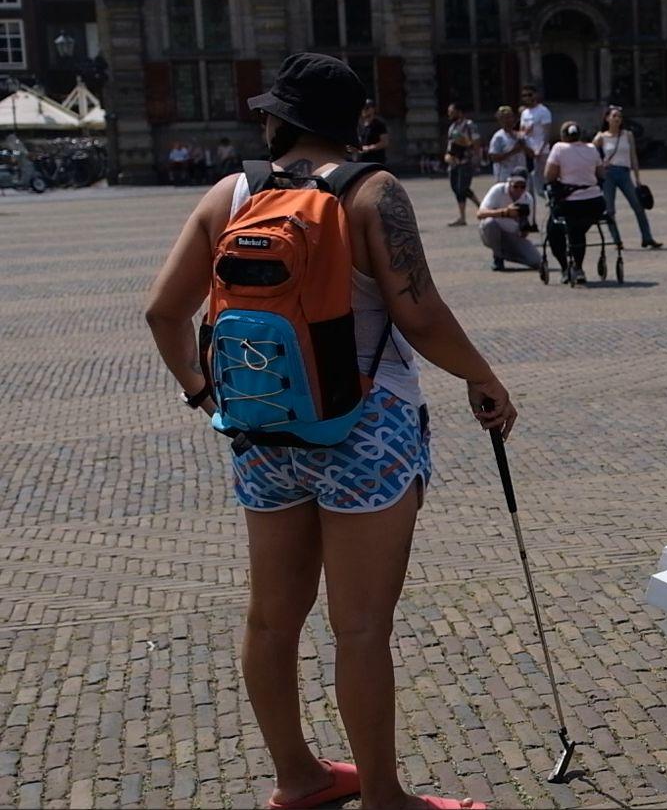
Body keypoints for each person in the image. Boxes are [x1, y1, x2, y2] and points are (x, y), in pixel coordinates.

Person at [144, 51, 509, 810]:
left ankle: (299, 776)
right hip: (365, 431)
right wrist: (483, 377)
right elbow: (419, 313)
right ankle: (384, 798)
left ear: (280, 121)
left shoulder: (232, 193)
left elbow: (163, 312)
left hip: (263, 429)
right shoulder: (373, 192)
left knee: (271, 621)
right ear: (353, 124)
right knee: (361, 628)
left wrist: (204, 395)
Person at [545, 121, 607, 284]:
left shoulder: (559, 148)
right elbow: (601, 174)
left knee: (554, 231)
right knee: (578, 230)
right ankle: (578, 268)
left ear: (563, 136)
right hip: (594, 203)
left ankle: (565, 267)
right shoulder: (592, 148)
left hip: (571, 204)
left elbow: (549, 176)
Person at [593, 105, 661, 249]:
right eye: (614, 116)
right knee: (610, 210)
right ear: (607, 118)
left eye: (619, 116)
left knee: (638, 206)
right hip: (608, 174)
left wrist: (637, 177)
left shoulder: (627, 135)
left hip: (624, 173)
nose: (617, 119)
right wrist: (600, 165)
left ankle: (647, 237)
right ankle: (617, 241)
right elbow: (590, 154)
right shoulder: (601, 137)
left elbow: (633, 156)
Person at [477, 167, 550, 283]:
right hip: (493, 231)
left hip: (513, 234)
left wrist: (522, 221)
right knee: (489, 223)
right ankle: (498, 256)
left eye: (522, 187)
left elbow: (525, 232)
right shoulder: (498, 190)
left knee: (537, 261)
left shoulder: (527, 199)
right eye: (516, 186)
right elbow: (480, 214)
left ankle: (505, 253)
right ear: (509, 183)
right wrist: (505, 212)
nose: (519, 190)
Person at [444, 103, 482, 227]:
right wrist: (447, 156)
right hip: (454, 163)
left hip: (466, 161)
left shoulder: (469, 125)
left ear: (459, 112)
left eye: (452, 112)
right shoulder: (452, 127)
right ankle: (464, 216)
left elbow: (476, 141)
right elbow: (450, 144)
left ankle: (479, 208)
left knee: (462, 188)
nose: (449, 114)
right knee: (456, 188)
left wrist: (476, 156)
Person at [519, 85, 554, 195]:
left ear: (535, 95)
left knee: (542, 181)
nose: (527, 98)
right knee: (529, 182)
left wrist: (540, 149)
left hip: (541, 151)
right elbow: (522, 132)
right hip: (528, 150)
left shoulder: (543, 111)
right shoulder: (525, 113)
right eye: (524, 96)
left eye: (530, 95)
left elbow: (547, 133)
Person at [486, 104, 533, 185]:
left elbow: (532, 154)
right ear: (500, 121)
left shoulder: (520, 136)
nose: (508, 120)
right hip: (505, 177)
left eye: (510, 117)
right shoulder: (498, 137)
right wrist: (513, 151)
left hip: (521, 175)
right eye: (505, 118)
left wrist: (523, 146)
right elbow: (494, 158)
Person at [356, 99, 389, 165]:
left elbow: (385, 142)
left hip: (376, 159)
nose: (365, 110)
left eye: (367, 108)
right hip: (363, 160)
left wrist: (369, 148)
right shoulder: (361, 124)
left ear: (373, 109)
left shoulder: (379, 124)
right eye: (363, 108)